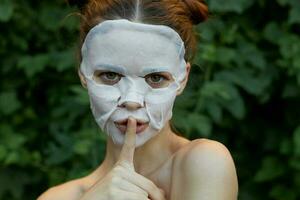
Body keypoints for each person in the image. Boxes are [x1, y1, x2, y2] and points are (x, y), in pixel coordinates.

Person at [38, 0, 238, 199]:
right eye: (110, 75)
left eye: (156, 78)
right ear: (83, 73)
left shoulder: (205, 162)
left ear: (183, 78)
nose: (132, 101)